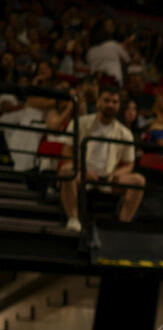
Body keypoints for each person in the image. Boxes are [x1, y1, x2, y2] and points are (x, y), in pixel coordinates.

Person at [59, 87, 146, 231]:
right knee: (67, 170)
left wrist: (115, 175)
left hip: (108, 178)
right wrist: (83, 170)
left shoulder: (125, 133)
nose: (110, 105)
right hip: (82, 174)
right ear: (98, 102)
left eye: (114, 102)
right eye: (106, 100)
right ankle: (73, 219)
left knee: (138, 180)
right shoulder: (79, 123)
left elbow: (129, 164)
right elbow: (67, 152)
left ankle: (122, 225)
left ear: (119, 106)